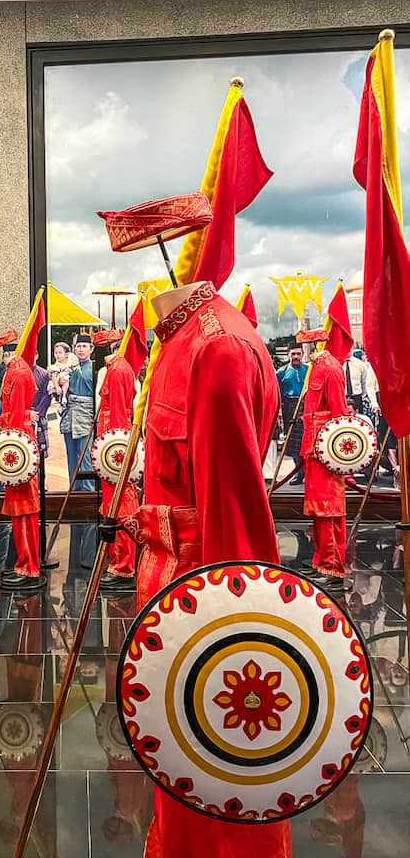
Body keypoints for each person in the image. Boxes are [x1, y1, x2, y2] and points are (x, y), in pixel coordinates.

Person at [105, 277, 290, 858]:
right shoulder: (184, 341)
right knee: (176, 771)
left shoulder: (216, 349)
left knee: (207, 771)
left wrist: (233, 637)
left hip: (198, 609)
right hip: (167, 597)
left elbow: (234, 515)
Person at [297, 328, 349, 598]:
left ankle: (333, 567)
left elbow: (340, 415)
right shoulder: (315, 369)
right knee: (318, 509)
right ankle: (320, 560)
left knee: (330, 509)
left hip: (326, 449)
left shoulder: (329, 369)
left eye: (309, 344)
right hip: (313, 448)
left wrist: (335, 451)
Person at [0, 329, 43, 591]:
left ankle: (29, 566)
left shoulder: (19, 373)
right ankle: (23, 561)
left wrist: (7, 439)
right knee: (19, 511)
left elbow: (17, 418)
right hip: (15, 445)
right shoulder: (17, 370)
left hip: (18, 448)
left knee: (25, 510)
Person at [94, 329, 138, 593]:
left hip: (114, 447)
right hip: (107, 443)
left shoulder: (119, 370)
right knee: (113, 504)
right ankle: (117, 561)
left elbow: (120, 415)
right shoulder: (115, 368)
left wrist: (114, 454)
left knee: (121, 505)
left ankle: (124, 566)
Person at [60, 333, 95, 492]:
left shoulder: (95, 369)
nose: (81, 350)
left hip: (86, 414)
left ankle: (88, 490)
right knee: (71, 454)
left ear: (91, 349)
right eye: (78, 347)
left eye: (84, 346)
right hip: (70, 413)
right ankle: (73, 488)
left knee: (85, 454)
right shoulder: (69, 368)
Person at [276, 342, 307, 483]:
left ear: (303, 354)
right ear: (288, 355)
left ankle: (309, 472)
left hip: (306, 404)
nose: (295, 357)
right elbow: (277, 394)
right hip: (289, 405)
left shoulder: (309, 370)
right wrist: (280, 412)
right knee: (293, 441)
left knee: (308, 439)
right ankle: (298, 472)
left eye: (298, 354)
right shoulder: (281, 372)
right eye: (293, 354)